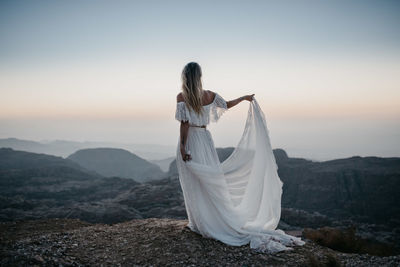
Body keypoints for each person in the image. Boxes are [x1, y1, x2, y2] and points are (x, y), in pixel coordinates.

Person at [175, 62, 305, 254]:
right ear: (199, 76)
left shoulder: (182, 96)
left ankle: (201, 222)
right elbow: (226, 105)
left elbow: (185, 124)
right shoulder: (209, 95)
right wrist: (244, 98)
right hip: (205, 139)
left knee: (194, 181)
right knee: (212, 181)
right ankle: (209, 220)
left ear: (185, 76)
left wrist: (184, 146)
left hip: (192, 139)